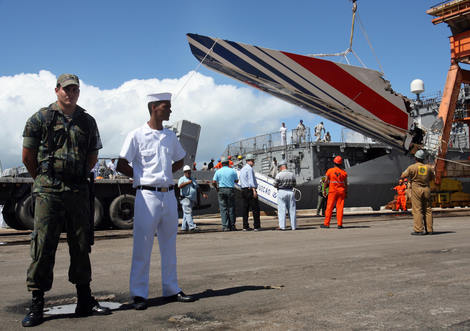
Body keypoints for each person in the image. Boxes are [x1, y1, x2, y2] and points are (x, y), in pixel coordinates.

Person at [21, 74, 111, 327]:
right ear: (57, 90)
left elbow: (92, 155)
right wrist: (43, 179)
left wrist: (78, 175)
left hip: (77, 189)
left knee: (81, 244)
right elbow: (27, 155)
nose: (71, 93)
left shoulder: (87, 120)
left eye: (75, 89)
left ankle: (84, 299)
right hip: (48, 189)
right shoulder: (40, 118)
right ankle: (37, 303)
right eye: (67, 89)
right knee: (43, 245)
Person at [116, 92, 195, 311]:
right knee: (142, 245)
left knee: (169, 245)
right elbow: (121, 163)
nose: (170, 110)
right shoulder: (137, 135)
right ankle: (139, 294)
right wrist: (140, 177)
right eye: (166, 106)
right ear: (153, 108)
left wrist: (166, 173)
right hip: (147, 195)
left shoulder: (170, 136)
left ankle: (171, 289)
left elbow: (180, 158)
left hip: (169, 194)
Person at [400, 149, 435, 235]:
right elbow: (432, 178)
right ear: (423, 159)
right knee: (428, 210)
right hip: (426, 189)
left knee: (417, 210)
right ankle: (429, 230)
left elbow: (403, 175)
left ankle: (419, 230)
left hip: (416, 189)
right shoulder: (429, 168)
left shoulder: (412, 167)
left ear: (416, 158)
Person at [321, 155, 348, 229]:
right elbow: (345, 184)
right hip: (341, 191)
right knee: (340, 208)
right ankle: (339, 224)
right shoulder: (344, 173)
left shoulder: (330, 171)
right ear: (341, 164)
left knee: (329, 207)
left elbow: (326, 181)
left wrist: (324, 190)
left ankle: (326, 224)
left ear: (334, 163)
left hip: (332, 191)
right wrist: (346, 192)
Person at [212, 157, 238, 231]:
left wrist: (217, 188)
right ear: (228, 163)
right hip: (230, 190)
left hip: (221, 190)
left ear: (221, 164)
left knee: (223, 209)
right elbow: (236, 181)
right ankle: (232, 225)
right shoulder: (232, 171)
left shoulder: (218, 171)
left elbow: (213, 182)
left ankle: (225, 226)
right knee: (231, 208)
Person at [178, 165, 207, 232]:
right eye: (187, 172)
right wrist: (187, 182)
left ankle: (184, 227)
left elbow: (197, 187)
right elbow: (180, 186)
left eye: (189, 172)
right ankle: (192, 227)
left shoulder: (192, 179)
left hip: (191, 199)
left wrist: (203, 194)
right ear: (184, 172)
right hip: (185, 198)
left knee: (186, 213)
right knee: (188, 212)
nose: (189, 174)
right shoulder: (182, 179)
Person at [239, 153, 261, 231]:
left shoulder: (242, 169)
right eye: (253, 161)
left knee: (245, 209)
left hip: (243, 190)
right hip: (250, 190)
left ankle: (245, 226)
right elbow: (251, 180)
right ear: (251, 161)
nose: (254, 162)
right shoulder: (249, 169)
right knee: (255, 209)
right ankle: (256, 226)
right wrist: (254, 190)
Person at [274, 160, 297, 230]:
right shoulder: (291, 174)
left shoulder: (279, 175)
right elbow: (294, 184)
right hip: (290, 191)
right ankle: (293, 226)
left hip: (282, 191)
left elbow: (275, 184)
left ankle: (282, 226)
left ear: (281, 167)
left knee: (282, 210)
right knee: (292, 210)